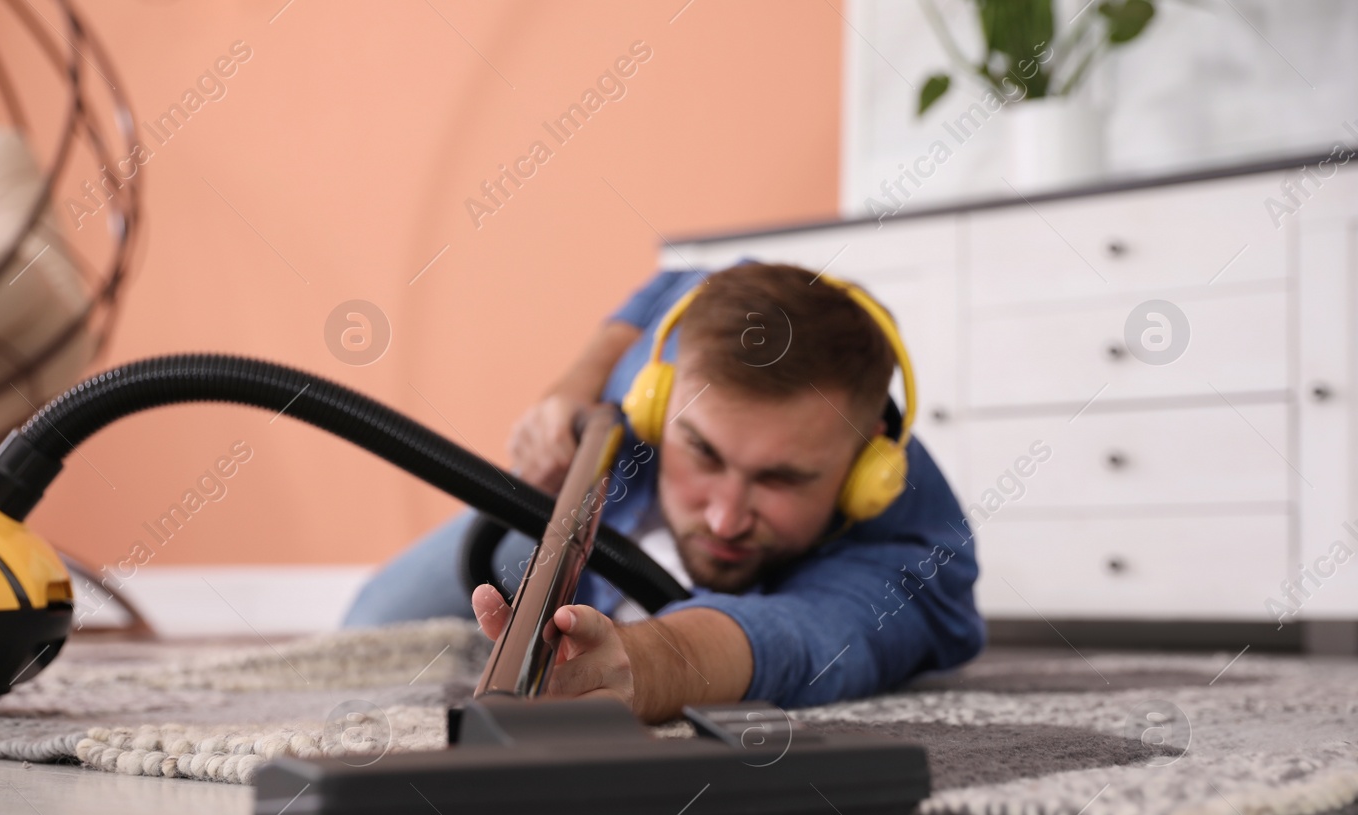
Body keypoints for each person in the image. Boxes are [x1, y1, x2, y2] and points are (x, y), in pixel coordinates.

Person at [342, 261, 984, 722]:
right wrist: (573, 384)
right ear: (657, 398)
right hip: (591, 497)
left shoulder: (919, 551)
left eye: (783, 478)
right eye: (702, 451)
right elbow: (664, 289)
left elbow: (802, 637)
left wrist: (644, 664)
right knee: (367, 628)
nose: (726, 517)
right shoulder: (681, 336)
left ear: (865, 464)